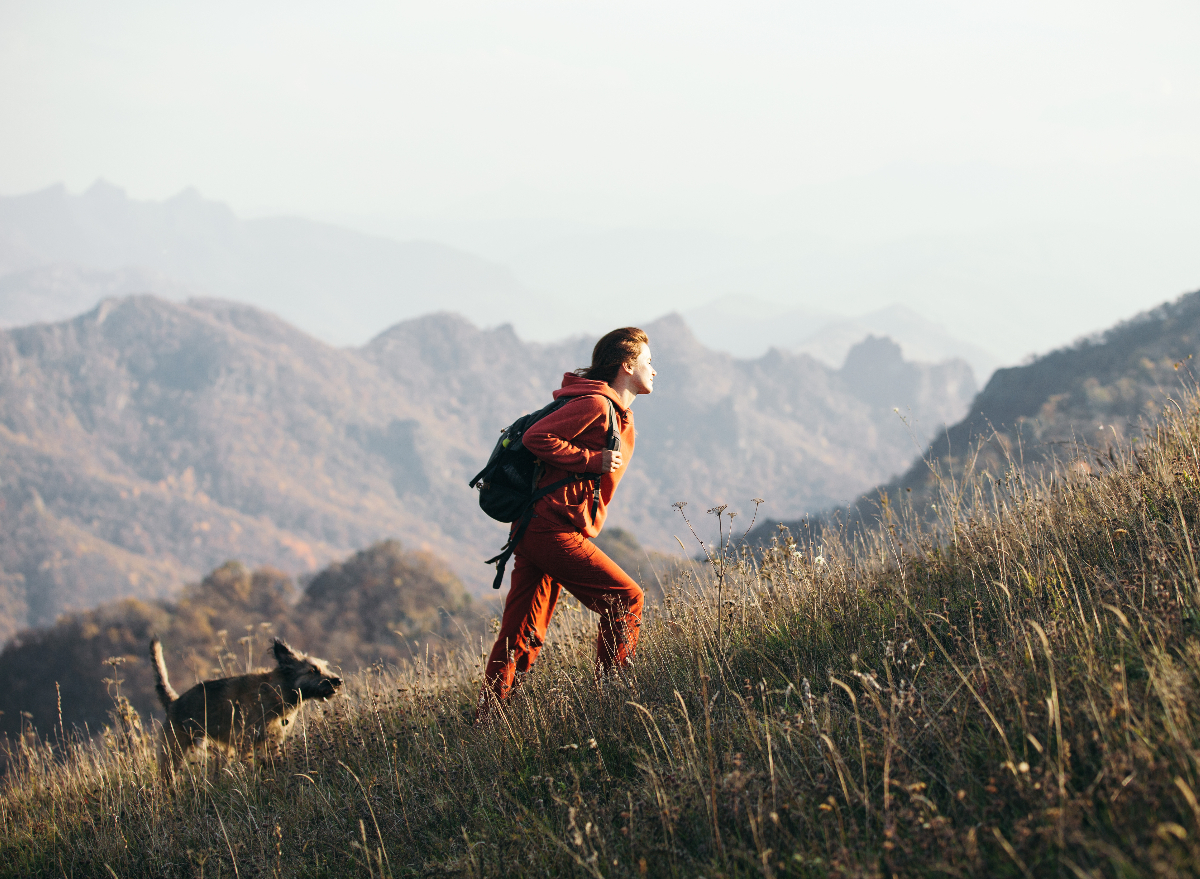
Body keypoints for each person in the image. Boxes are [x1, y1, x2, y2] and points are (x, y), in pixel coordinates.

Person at [477, 327, 656, 718]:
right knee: (625, 600)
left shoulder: (613, 411)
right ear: (627, 365)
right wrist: (591, 461)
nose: (653, 370)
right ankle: (614, 703)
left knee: (521, 633)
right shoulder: (595, 404)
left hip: (535, 527)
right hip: (549, 528)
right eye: (647, 361)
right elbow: (537, 437)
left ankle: (487, 721)